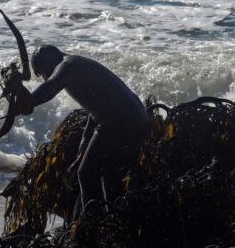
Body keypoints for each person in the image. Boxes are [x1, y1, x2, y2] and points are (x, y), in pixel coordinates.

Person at [16, 45, 150, 221]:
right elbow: (96, 109)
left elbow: (50, 87)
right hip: (137, 119)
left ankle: (91, 226)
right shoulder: (77, 64)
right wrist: (85, 140)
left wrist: (27, 103)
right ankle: (115, 222)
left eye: (40, 73)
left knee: (86, 173)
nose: (43, 78)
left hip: (119, 120)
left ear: (47, 62)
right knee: (107, 175)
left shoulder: (68, 65)